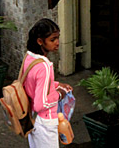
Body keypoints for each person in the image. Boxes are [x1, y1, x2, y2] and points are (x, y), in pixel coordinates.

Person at [23, 18, 72, 148]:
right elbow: (42, 103)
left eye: (58, 38)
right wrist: (60, 93)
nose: (57, 43)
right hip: (45, 122)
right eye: (52, 39)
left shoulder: (29, 58)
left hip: (31, 118)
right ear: (40, 41)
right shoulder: (45, 66)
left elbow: (35, 83)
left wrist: (57, 84)